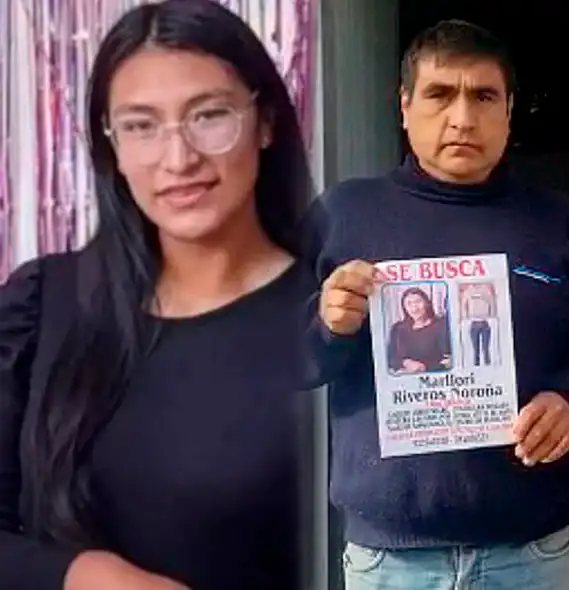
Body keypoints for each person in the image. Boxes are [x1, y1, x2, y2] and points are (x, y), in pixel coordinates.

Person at [0, 1, 321, 588]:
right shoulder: (42, 305)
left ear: (266, 120)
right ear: (112, 146)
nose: (178, 159)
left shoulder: (330, 317)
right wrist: (88, 576)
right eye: (141, 126)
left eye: (209, 115)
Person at [309, 19, 569, 590]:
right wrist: (327, 324)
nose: (462, 118)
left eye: (483, 96)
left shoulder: (557, 223)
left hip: (532, 549)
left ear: (509, 111)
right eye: (439, 95)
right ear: (404, 106)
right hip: (392, 559)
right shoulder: (344, 215)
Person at [386, 286, 451, 374]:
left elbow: (447, 361)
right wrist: (405, 362)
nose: (414, 308)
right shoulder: (397, 328)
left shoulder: (442, 325)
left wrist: (424, 367)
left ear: (427, 303)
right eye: (409, 303)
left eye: (418, 302)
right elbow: (390, 358)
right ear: (404, 307)